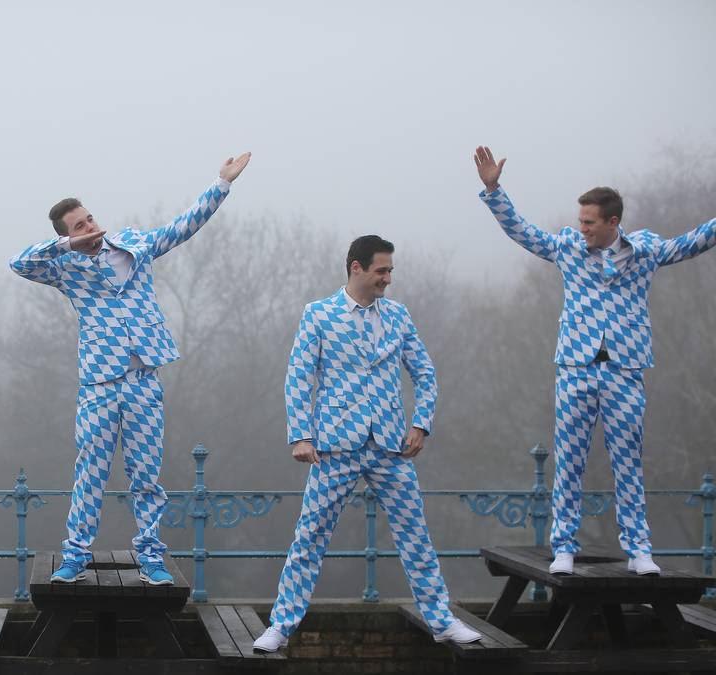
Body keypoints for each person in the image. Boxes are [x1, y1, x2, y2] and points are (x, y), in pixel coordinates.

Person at [8, 153, 251, 585]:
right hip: (100, 383)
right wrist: (66, 247)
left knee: (146, 474)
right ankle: (76, 555)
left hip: (144, 379)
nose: (90, 226)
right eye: (79, 225)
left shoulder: (133, 245)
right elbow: (19, 263)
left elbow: (183, 227)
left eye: (89, 218)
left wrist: (222, 184)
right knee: (91, 472)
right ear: (67, 234)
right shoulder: (63, 266)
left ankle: (151, 555)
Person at [473, 145, 716, 575]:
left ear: (612, 222)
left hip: (625, 368)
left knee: (628, 461)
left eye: (589, 222)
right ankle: (563, 547)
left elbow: (692, 243)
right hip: (576, 367)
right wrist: (494, 191)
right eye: (580, 220)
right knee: (569, 459)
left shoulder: (644, 251)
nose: (581, 227)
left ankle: (639, 549)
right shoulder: (568, 247)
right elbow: (523, 232)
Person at [252, 236, 481, 652]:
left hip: (391, 446)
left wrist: (421, 425)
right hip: (335, 445)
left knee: (416, 535)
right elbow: (299, 376)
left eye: (390, 271)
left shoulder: (398, 315)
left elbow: (425, 374)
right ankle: (281, 627)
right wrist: (300, 435)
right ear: (356, 267)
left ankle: (442, 620)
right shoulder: (319, 314)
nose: (388, 278)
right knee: (309, 538)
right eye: (382, 270)